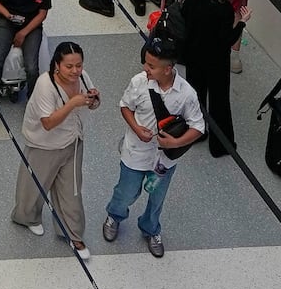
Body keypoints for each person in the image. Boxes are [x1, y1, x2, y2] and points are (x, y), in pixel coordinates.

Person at [104, 38, 209, 256]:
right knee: (126, 192)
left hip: (164, 161)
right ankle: (115, 215)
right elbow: (125, 106)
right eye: (145, 63)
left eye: (151, 66)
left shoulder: (187, 94)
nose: (146, 68)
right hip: (135, 153)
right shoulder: (139, 82)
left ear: (168, 69)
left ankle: (151, 228)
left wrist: (175, 143)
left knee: (156, 196)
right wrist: (136, 128)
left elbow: (198, 126)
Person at [11, 40, 102, 244]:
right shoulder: (46, 85)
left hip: (73, 141)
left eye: (78, 65)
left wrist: (94, 100)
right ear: (57, 66)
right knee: (34, 186)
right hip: (45, 145)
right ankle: (27, 218)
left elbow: (89, 103)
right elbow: (48, 123)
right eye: (69, 66)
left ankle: (72, 233)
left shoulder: (83, 78)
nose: (75, 71)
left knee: (71, 190)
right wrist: (72, 104)